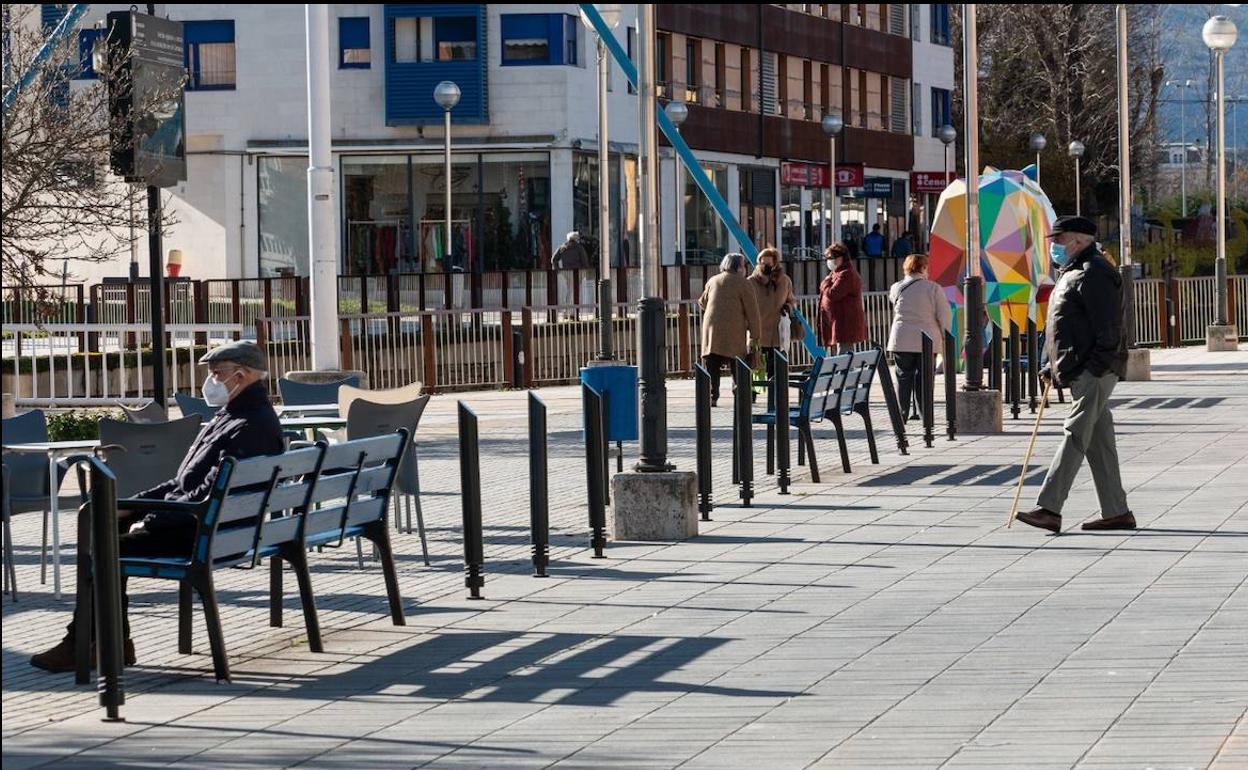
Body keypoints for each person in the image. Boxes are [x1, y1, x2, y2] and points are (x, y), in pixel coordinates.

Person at [30, 341, 285, 673]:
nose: (210, 380)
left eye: (216, 373)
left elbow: (203, 497)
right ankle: (106, 644)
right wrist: (132, 508)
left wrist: (149, 521)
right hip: (212, 528)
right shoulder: (236, 417)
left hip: (200, 533)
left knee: (104, 551)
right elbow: (183, 483)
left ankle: (86, 644)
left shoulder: (249, 426)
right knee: (108, 527)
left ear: (241, 375)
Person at [1017, 216, 1133, 534]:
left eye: (1059, 239)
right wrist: (1050, 365)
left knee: (1075, 434)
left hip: (1093, 371)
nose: (1053, 246)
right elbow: (1063, 325)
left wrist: (1094, 368)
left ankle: (1049, 508)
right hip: (1084, 369)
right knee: (1099, 443)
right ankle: (1117, 512)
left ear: (1078, 240)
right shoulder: (1074, 271)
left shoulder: (1094, 272)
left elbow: (1109, 328)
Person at [886, 253, 952, 421]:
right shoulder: (933, 288)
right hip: (927, 340)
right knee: (925, 378)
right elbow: (943, 315)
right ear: (923, 268)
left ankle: (902, 413)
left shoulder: (897, 287)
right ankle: (925, 414)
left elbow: (894, 301)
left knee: (903, 376)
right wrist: (945, 335)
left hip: (901, 339)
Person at [699, 253, 761, 406]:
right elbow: (752, 312)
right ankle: (739, 392)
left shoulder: (713, 280)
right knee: (737, 363)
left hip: (711, 329)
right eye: (744, 265)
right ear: (740, 267)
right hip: (734, 329)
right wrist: (755, 336)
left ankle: (712, 396)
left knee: (712, 363)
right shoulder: (744, 283)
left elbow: (702, 302)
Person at [747, 247, 797, 375]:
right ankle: (751, 395)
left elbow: (792, 301)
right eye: (762, 263)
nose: (765, 266)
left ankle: (774, 395)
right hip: (757, 335)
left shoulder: (784, 281)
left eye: (769, 264)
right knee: (755, 374)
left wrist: (788, 307)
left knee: (775, 376)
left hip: (777, 335)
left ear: (775, 264)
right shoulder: (751, 282)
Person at [817, 243, 868, 356]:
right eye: (828, 258)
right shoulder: (837, 273)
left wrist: (825, 283)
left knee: (844, 356)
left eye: (832, 258)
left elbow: (832, 294)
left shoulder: (847, 274)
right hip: (836, 321)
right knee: (836, 356)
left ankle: (844, 373)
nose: (829, 261)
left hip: (845, 323)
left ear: (841, 258)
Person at [863, 223, 886, 291]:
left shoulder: (867, 237)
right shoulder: (881, 237)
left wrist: (867, 253)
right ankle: (878, 287)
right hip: (878, 256)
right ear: (879, 229)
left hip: (870, 256)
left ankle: (871, 286)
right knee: (878, 273)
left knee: (870, 272)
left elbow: (863, 247)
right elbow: (884, 247)